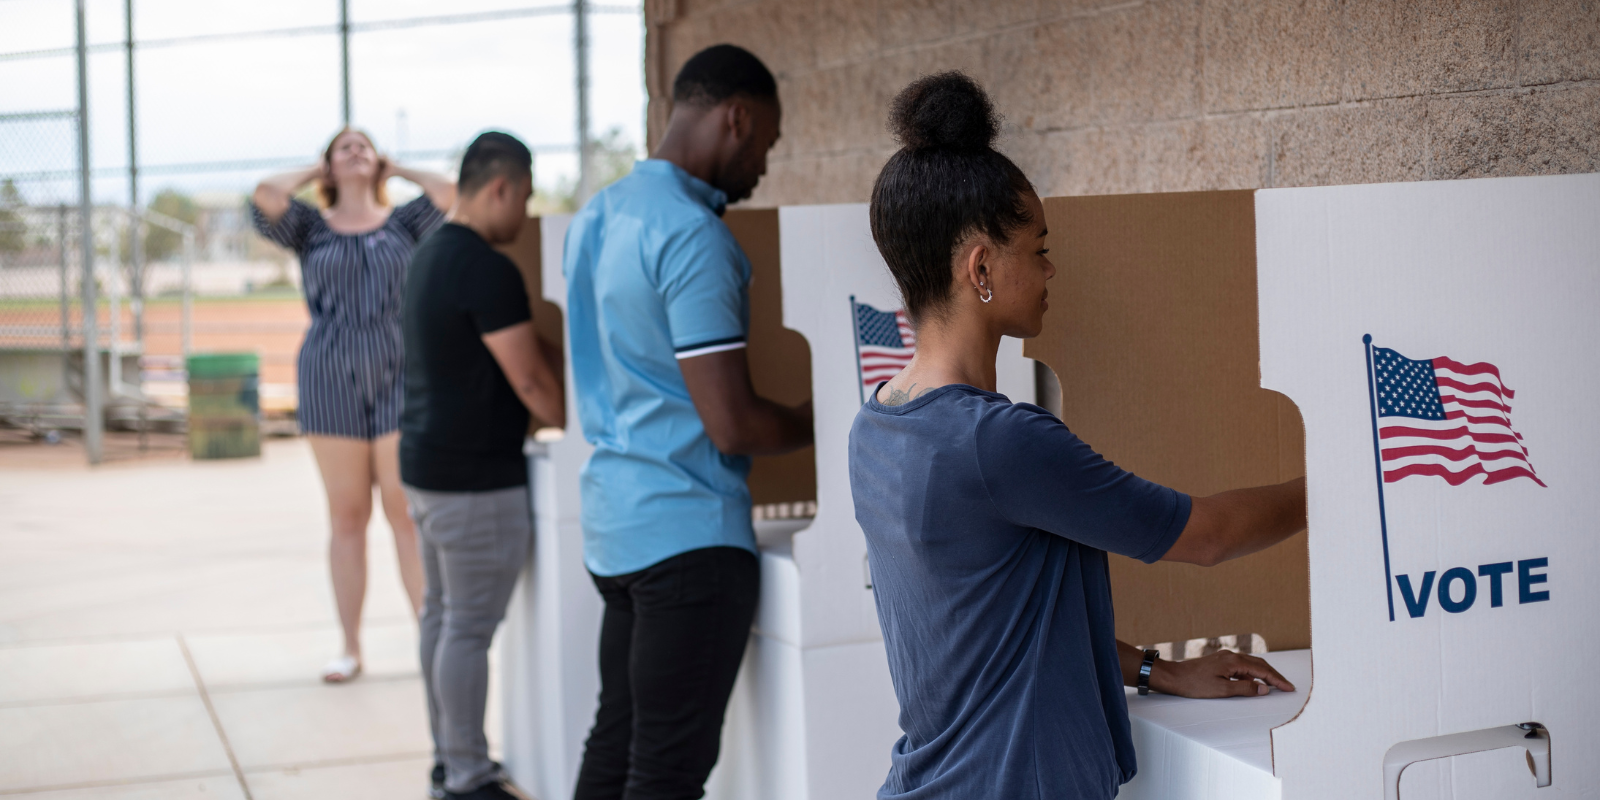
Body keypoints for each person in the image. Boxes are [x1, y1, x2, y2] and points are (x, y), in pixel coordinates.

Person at [848, 72, 1308, 800]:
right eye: (1038, 248)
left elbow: (994, 634)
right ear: (981, 269)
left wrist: (1160, 671)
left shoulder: (875, 423)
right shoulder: (998, 443)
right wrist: (1344, 477)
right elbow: (1208, 536)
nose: (1052, 267)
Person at [563, 44, 813, 800]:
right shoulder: (694, 237)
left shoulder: (598, 216)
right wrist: (821, 418)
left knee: (618, 744)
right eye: (765, 143)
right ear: (735, 118)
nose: (763, 166)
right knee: (665, 775)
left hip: (614, 530)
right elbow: (732, 425)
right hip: (690, 541)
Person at [252, 128, 456, 683]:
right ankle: (350, 646)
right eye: (344, 147)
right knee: (347, 516)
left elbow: (449, 194)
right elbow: (267, 193)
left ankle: (427, 639)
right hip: (329, 373)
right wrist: (315, 171)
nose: (356, 152)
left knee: (404, 513)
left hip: (399, 372)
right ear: (328, 165)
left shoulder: (404, 223)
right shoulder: (309, 227)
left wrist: (399, 169)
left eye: (364, 146)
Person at [400, 131, 564, 800]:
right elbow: (530, 382)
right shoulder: (487, 269)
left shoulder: (428, 254)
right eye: (523, 197)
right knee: (465, 628)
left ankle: (450, 757)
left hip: (427, 467)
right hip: (473, 481)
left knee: (442, 619)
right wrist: (572, 424)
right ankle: (467, 777)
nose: (524, 216)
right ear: (499, 186)